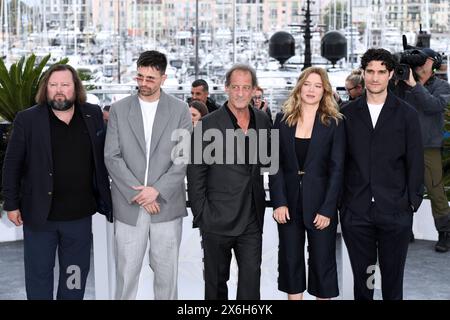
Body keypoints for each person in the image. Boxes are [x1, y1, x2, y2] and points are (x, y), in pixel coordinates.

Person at [2, 64, 112, 300]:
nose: (59, 90)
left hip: (79, 218)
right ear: (46, 88)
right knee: (39, 276)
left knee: (75, 276)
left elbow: (107, 157)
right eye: (53, 85)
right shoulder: (28, 119)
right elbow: (12, 165)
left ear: (75, 88)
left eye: (64, 84)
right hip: (40, 218)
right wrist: (11, 204)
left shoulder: (93, 116)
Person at [104, 50, 192, 300]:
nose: (143, 84)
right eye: (140, 77)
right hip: (129, 206)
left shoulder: (180, 110)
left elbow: (182, 158)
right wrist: (142, 194)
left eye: (150, 79)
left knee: (167, 278)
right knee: (125, 276)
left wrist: (156, 191)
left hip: (166, 205)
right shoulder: (119, 110)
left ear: (164, 78)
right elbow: (112, 156)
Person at [340, 48, 424, 300]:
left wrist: (412, 201)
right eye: (370, 72)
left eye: (381, 72)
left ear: (390, 75)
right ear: (363, 74)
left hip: (395, 212)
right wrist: (343, 205)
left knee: (392, 281)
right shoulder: (347, 114)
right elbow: (338, 162)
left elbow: (415, 161)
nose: (375, 78)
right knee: (363, 283)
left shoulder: (407, 114)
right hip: (357, 213)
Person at [187, 64, 272, 300]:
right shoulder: (208, 124)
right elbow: (195, 173)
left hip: (252, 219)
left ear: (254, 89)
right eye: (236, 87)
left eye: (246, 87)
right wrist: (202, 214)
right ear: (226, 88)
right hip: (216, 219)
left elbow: (272, 162)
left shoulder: (264, 120)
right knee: (215, 285)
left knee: (250, 285)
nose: (241, 93)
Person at [269, 67, 345, 300]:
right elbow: (274, 164)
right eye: (307, 84)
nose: (311, 90)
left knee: (323, 263)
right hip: (288, 205)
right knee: (291, 261)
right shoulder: (281, 119)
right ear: (299, 87)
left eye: (318, 85)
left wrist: (328, 209)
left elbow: (337, 170)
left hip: (321, 205)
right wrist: (279, 202)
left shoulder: (335, 122)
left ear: (325, 91)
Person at [392, 47, 450, 252]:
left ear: (432, 63)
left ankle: (444, 233)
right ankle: (404, 230)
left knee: (435, 190)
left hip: (428, 148)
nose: (419, 63)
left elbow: (433, 106)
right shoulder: (403, 84)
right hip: (403, 146)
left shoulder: (443, 86)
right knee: (400, 189)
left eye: (423, 60)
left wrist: (415, 85)